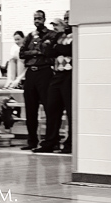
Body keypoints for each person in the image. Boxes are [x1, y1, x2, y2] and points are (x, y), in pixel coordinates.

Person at [34, 12, 72, 153]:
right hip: (57, 74)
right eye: (66, 18)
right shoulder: (59, 36)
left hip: (70, 74)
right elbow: (47, 52)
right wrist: (56, 47)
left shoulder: (77, 34)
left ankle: (70, 143)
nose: (67, 21)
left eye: (69, 18)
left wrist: (56, 48)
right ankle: (51, 141)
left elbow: (69, 49)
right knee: (52, 108)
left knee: (70, 110)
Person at [19, 10, 55, 150]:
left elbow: (47, 52)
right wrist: (36, 52)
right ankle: (31, 141)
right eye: (35, 18)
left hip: (44, 72)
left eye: (39, 18)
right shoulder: (29, 36)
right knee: (30, 109)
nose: (37, 21)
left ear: (44, 19)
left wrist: (37, 51)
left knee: (48, 107)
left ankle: (50, 140)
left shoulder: (51, 35)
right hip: (31, 73)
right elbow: (22, 54)